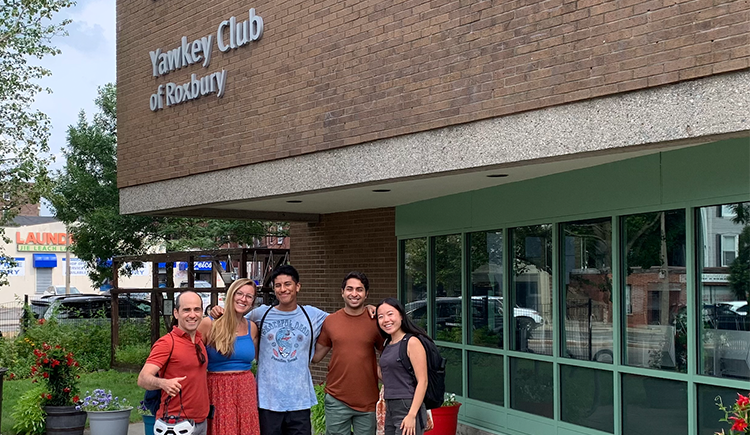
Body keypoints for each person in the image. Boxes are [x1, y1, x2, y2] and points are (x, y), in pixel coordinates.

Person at [213, 265, 327, 435]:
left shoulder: (312, 315)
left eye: (288, 284)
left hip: (300, 401)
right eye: (278, 285)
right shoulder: (260, 314)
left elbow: (342, 321)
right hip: (267, 401)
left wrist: (366, 310)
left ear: (297, 286)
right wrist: (215, 311)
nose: (283, 289)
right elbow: (235, 320)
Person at [311, 272, 384, 435]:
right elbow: (316, 357)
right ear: (342, 292)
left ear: (366, 294)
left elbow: (387, 355)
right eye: (349, 289)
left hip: (368, 401)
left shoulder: (376, 321)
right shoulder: (331, 321)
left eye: (360, 289)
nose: (354, 294)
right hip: (337, 399)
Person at [137, 291, 210, 435]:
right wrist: (163, 383)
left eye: (197, 309)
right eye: (186, 310)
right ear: (176, 313)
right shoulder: (167, 343)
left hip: (201, 422)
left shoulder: (200, 340)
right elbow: (142, 379)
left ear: (202, 312)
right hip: (175, 424)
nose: (192, 314)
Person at [197, 278, 260, 435]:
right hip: (219, 389)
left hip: (246, 390)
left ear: (252, 302)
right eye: (239, 293)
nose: (243, 299)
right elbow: (192, 357)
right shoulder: (209, 324)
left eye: (249, 296)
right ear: (230, 295)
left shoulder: (252, 328)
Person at [376, 297, 428, 435]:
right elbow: (388, 376)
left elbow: (423, 381)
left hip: (408, 404)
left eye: (390, 314)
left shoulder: (412, 342)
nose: (386, 320)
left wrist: (411, 415)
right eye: (381, 316)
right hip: (390, 404)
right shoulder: (388, 343)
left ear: (401, 315)